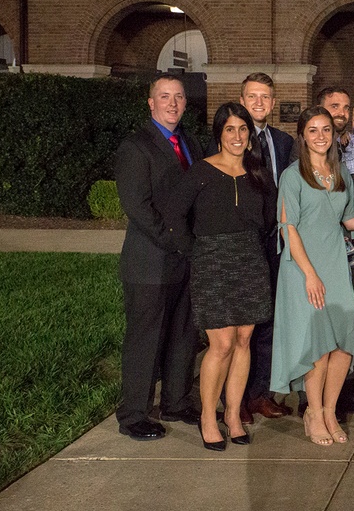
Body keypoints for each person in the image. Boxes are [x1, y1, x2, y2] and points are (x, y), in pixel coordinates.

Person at [168, 103, 276, 450]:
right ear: (219, 134)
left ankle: (232, 414)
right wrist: (195, 250)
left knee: (244, 341)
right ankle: (207, 417)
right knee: (222, 344)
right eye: (230, 129)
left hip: (250, 260)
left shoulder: (258, 173)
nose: (237, 136)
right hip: (211, 261)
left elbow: (270, 218)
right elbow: (174, 214)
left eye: (242, 129)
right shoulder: (201, 171)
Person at [270, 107, 354, 446]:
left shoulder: (339, 172)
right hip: (303, 268)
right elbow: (289, 228)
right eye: (313, 130)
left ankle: (328, 410)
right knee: (318, 345)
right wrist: (310, 275)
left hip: (336, 264)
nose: (321, 136)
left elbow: (351, 219)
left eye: (326, 129)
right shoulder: (293, 176)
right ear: (303, 136)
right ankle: (312, 411)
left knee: (342, 343)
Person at [114, 73, 201, 441]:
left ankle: (176, 401)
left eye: (178, 97)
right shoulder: (136, 147)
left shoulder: (191, 143)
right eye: (164, 97)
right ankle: (134, 413)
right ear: (151, 103)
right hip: (150, 261)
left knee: (183, 334)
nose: (172, 103)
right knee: (145, 339)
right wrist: (176, 240)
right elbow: (138, 206)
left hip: (186, 260)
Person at [237, 72, 294, 424]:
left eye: (265, 97)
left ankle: (259, 393)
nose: (259, 102)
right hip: (242, 244)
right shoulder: (231, 140)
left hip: (276, 243)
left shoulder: (284, 142)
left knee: (270, 321)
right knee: (243, 324)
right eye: (252, 96)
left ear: (273, 103)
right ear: (243, 101)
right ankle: (235, 398)